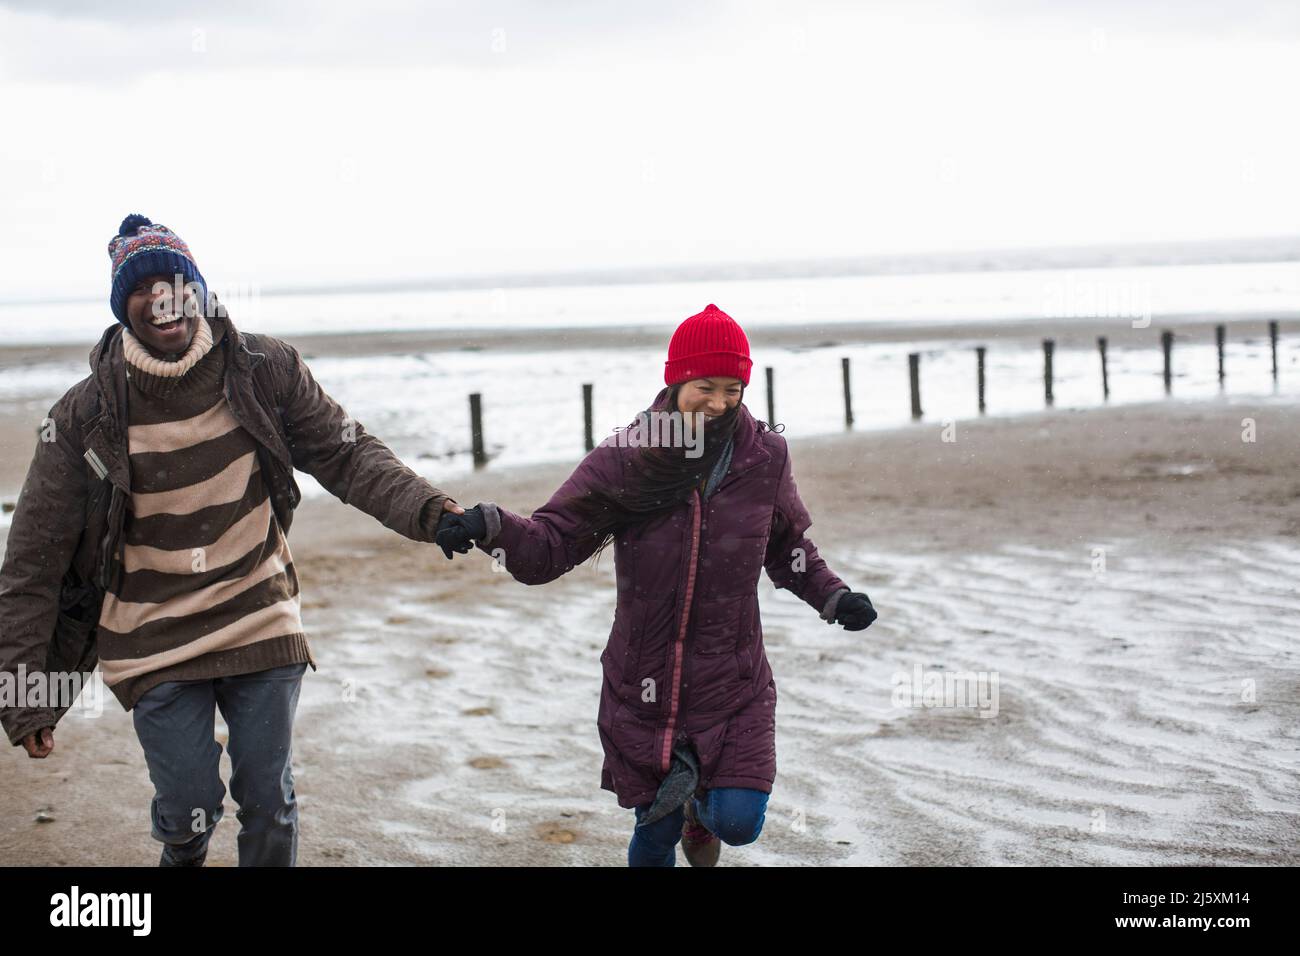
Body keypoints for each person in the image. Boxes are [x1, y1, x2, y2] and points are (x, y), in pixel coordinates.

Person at [0, 214, 464, 866]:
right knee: (190, 812)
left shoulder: (262, 369)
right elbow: (31, 561)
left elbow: (346, 455)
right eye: (143, 286)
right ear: (121, 306)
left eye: (175, 279)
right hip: (151, 635)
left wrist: (430, 511)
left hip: (257, 612)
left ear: (196, 287)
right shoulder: (84, 416)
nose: (162, 295)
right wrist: (25, 694)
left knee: (268, 800)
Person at [435, 304, 877, 866]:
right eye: (705, 387)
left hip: (732, 680)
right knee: (653, 832)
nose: (719, 403)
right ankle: (676, 811)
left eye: (733, 389)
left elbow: (787, 547)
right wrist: (488, 526)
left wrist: (834, 596)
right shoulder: (629, 454)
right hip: (644, 681)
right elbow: (553, 542)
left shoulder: (764, 454)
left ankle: (701, 813)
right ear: (676, 380)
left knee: (738, 823)